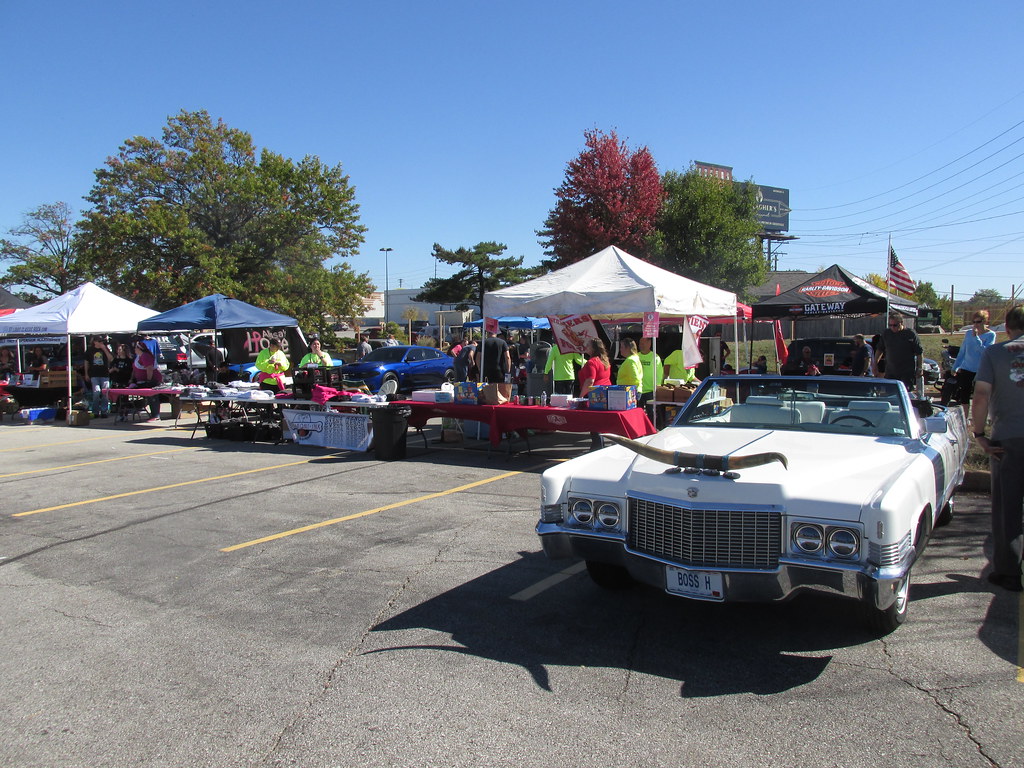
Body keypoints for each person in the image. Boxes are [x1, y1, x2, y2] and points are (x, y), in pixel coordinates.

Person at [971, 305, 1024, 592]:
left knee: (1008, 508)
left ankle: (1009, 571)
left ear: (1006, 325)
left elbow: (980, 395)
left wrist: (979, 434)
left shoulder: (995, 353)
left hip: (1008, 438)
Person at [952, 310, 997, 407]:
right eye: (974, 322)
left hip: (981, 370)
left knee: (979, 397)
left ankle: (978, 419)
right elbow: (962, 351)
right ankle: (965, 420)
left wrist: (976, 338)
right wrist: (955, 366)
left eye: (978, 322)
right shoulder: (968, 333)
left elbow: (985, 352)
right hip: (967, 368)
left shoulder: (990, 335)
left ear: (985, 321)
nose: (976, 324)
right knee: (964, 396)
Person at [872, 312, 923, 394]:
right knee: (890, 393)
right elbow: (879, 349)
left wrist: (919, 368)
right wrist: (875, 364)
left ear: (901, 323)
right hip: (890, 371)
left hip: (906, 372)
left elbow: (919, 353)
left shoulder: (910, 334)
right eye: (890, 325)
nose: (892, 327)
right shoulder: (886, 333)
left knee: (904, 393)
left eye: (895, 325)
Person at [579, 339, 612, 450]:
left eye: (587, 345)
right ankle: (599, 447)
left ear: (593, 348)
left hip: (596, 395)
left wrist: (581, 396)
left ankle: (596, 448)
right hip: (606, 392)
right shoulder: (605, 360)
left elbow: (590, 381)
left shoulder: (592, 362)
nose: (585, 346)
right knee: (600, 424)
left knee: (594, 424)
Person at [130, 339, 163, 421]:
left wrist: (148, 380)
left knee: (153, 397)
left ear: (139, 348)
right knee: (149, 398)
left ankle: (156, 415)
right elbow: (135, 369)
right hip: (142, 380)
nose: (134, 349)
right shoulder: (139, 357)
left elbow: (149, 368)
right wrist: (132, 379)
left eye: (136, 348)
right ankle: (153, 414)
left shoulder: (145, 356)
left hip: (152, 379)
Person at [84, 336, 114, 418]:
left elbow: (111, 359)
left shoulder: (105, 349)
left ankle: (104, 411)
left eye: (102, 341)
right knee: (96, 392)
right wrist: (86, 373)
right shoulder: (90, 350)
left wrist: (104, 349)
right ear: (95, 342)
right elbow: (86, 362)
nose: (101, 342)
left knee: (105, 392)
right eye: (99, 341)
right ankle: (95, 411)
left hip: (104, 374)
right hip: (94, 374)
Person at [636, 337, 663, 407]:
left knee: (651, 413)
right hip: (638, 390)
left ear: (649, 344)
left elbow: (659, 374)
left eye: (643, 344)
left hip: (651, 391)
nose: (641, 346)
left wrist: (657, 388)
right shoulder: (636, 356)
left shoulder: (655, 357)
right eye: (640, 344)